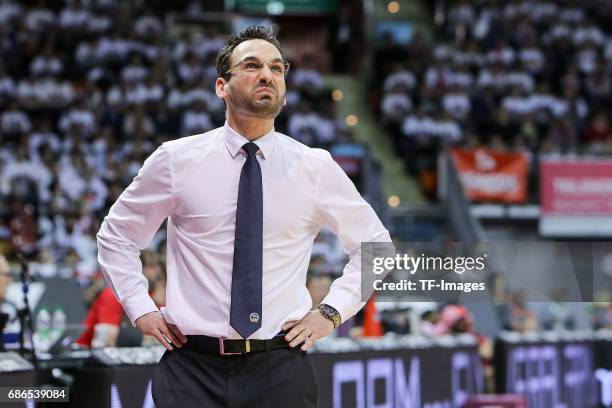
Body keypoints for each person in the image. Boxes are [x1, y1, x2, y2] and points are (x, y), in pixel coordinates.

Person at [97, 25, 391, 407]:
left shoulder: (315, 167)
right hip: (191, 366)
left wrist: (332, 312)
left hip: (280, 365)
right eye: (251, 65)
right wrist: (140, 309)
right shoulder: (175, 160)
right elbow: (116, 238)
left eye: (277, 68)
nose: (267, 74)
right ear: (222, 85)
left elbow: (377, 248)